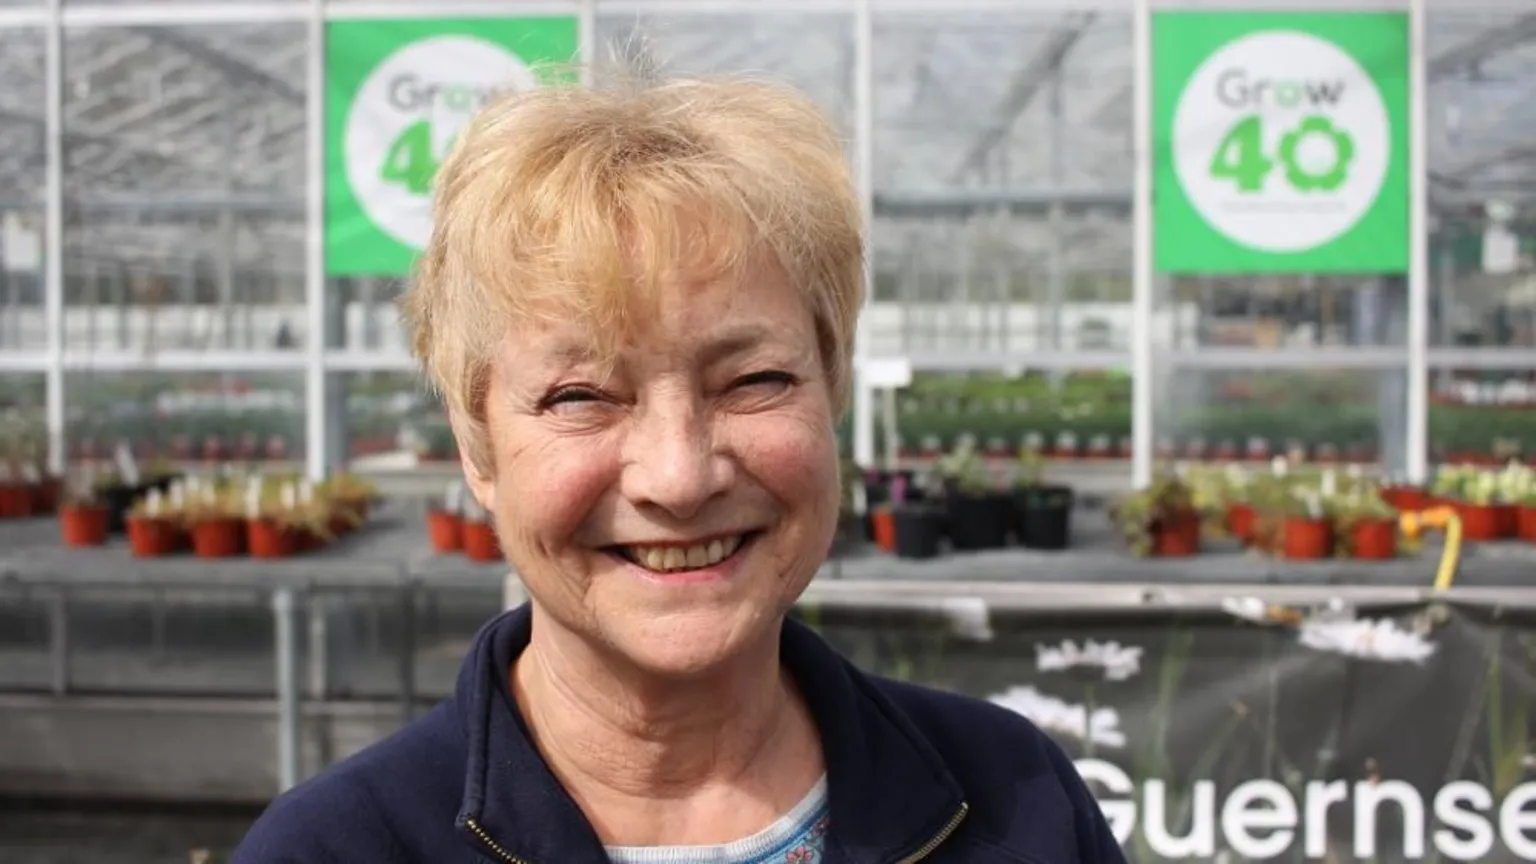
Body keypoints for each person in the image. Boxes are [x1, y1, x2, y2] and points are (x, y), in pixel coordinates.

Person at [231, 68, 1126, 864]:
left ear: (831, 394)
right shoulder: (335, 847)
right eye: (581, 396)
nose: (680, 475)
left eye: (754, 380)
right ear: (476, 446)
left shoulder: (1018, 801)